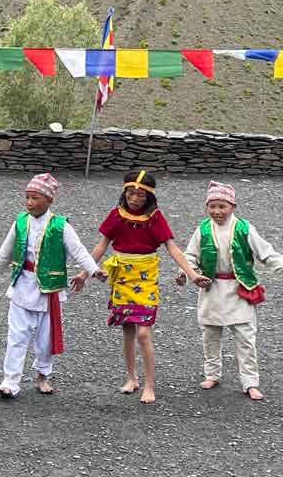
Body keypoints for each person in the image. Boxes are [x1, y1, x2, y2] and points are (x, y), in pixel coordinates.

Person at [71, 170, 208, 404]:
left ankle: (150, 384)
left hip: (145, 278)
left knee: (143, 333)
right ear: (124, 193)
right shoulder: (117, 215)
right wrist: (85, 272)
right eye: (131, 194)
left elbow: (173, 248)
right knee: (127, 330)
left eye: (141, 195)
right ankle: (131, 378)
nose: (135, 199)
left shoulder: (155, 217)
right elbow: (101, 246)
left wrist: (192, 273)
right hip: (122, 277)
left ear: (149, 197)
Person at [0, 173, 105, 397]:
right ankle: (10, 381)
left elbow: (78, 250)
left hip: (48, 290)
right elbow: (7, 248)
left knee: (44, 339)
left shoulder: (60, 226)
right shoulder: (20, 222)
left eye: (36, 198)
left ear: (49, 200)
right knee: (17, 336)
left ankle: (42, 375)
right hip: (22, 285)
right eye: (27, 197)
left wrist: (93, 270)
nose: (30, 202)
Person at [178, 180, 283, 401]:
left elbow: (266, 253)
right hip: (211, 288)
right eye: (212, 206)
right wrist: (186, 273)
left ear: (232, 207)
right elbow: (190, 256)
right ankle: (212, 374)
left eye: (222, 206)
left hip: (239, 288)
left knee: (245, 336)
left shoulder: (244, 228)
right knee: (210, 334)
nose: (217, 211)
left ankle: (250, 381)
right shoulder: (203, 229)